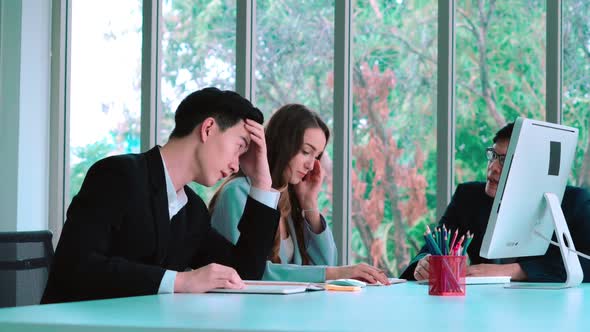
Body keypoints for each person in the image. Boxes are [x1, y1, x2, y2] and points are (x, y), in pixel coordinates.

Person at [42, 87, 280, 304]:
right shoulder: (118, 175)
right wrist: (181, 282)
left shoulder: (192, 210)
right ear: (208, 128)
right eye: (239, 147)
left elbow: (242, 274)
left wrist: (262, 182)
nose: (236, 167)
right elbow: (77, 266)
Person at [209, 104, 389, 284]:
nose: (311, 165)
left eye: (316, 156)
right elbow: (246, 272)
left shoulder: (289, 197)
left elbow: (326, 264)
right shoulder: (237, 193)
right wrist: (335, 273)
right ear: (282, 145)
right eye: (305, 152)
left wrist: (309, 203)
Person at [400, 122, 590, 282]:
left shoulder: (574, 203)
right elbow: (432, 249)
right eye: (493, 156)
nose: (493, 168)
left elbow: (586, 263)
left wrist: (512, 271)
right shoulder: (468, 197)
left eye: (506, 161)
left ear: (534, 169)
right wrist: (424, 263)